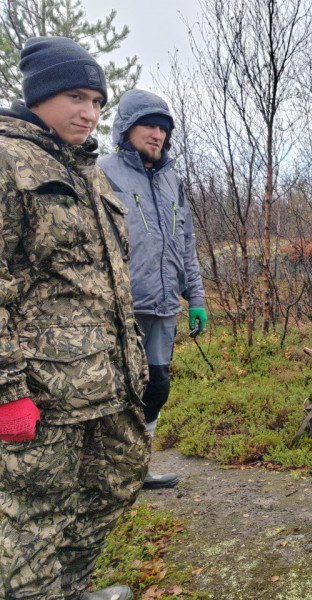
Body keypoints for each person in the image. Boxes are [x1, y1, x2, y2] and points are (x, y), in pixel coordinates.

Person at [0, 37, 149, 600]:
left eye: (95, 101)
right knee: (36, 516)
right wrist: (7, 391)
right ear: (39, 96)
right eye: (74, 96)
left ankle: (72, 589)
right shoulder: (9, 161)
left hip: (105, 383)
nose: (88, 113)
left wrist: (139, 368)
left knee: (113, 485)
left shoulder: (89, 171)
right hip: (42, 392)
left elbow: (106, 284)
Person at [99, 89, 206, 490]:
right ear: (126, 128)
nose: (157, 134)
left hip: (163, 307)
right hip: (120, 309)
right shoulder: (102, 172)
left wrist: (195, 299)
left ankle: (140, 467)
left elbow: (186, 242)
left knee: (156, 387)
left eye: (163, 128)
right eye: (148, 125)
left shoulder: (172, 180)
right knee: (116, 390)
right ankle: (111, 472)